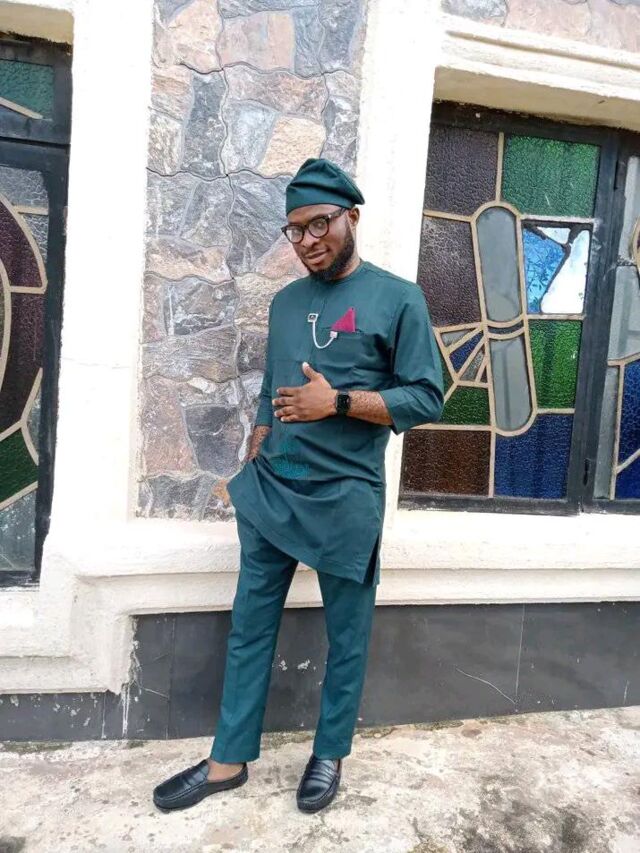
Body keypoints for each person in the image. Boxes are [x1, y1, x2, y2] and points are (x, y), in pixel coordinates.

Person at [153, 157, 444, 814]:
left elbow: (427, 396)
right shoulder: (285, 302)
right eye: (295, 229)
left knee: (348, 633)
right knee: (250, 626)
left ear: (351, 218)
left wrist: (337, 402)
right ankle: (228, 760)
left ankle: (329, 751)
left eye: (320, 224)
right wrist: (260, 431)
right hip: (273, 490)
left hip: (346, 495)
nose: (308, 240)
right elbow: (273, 384)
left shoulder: (398, 298)